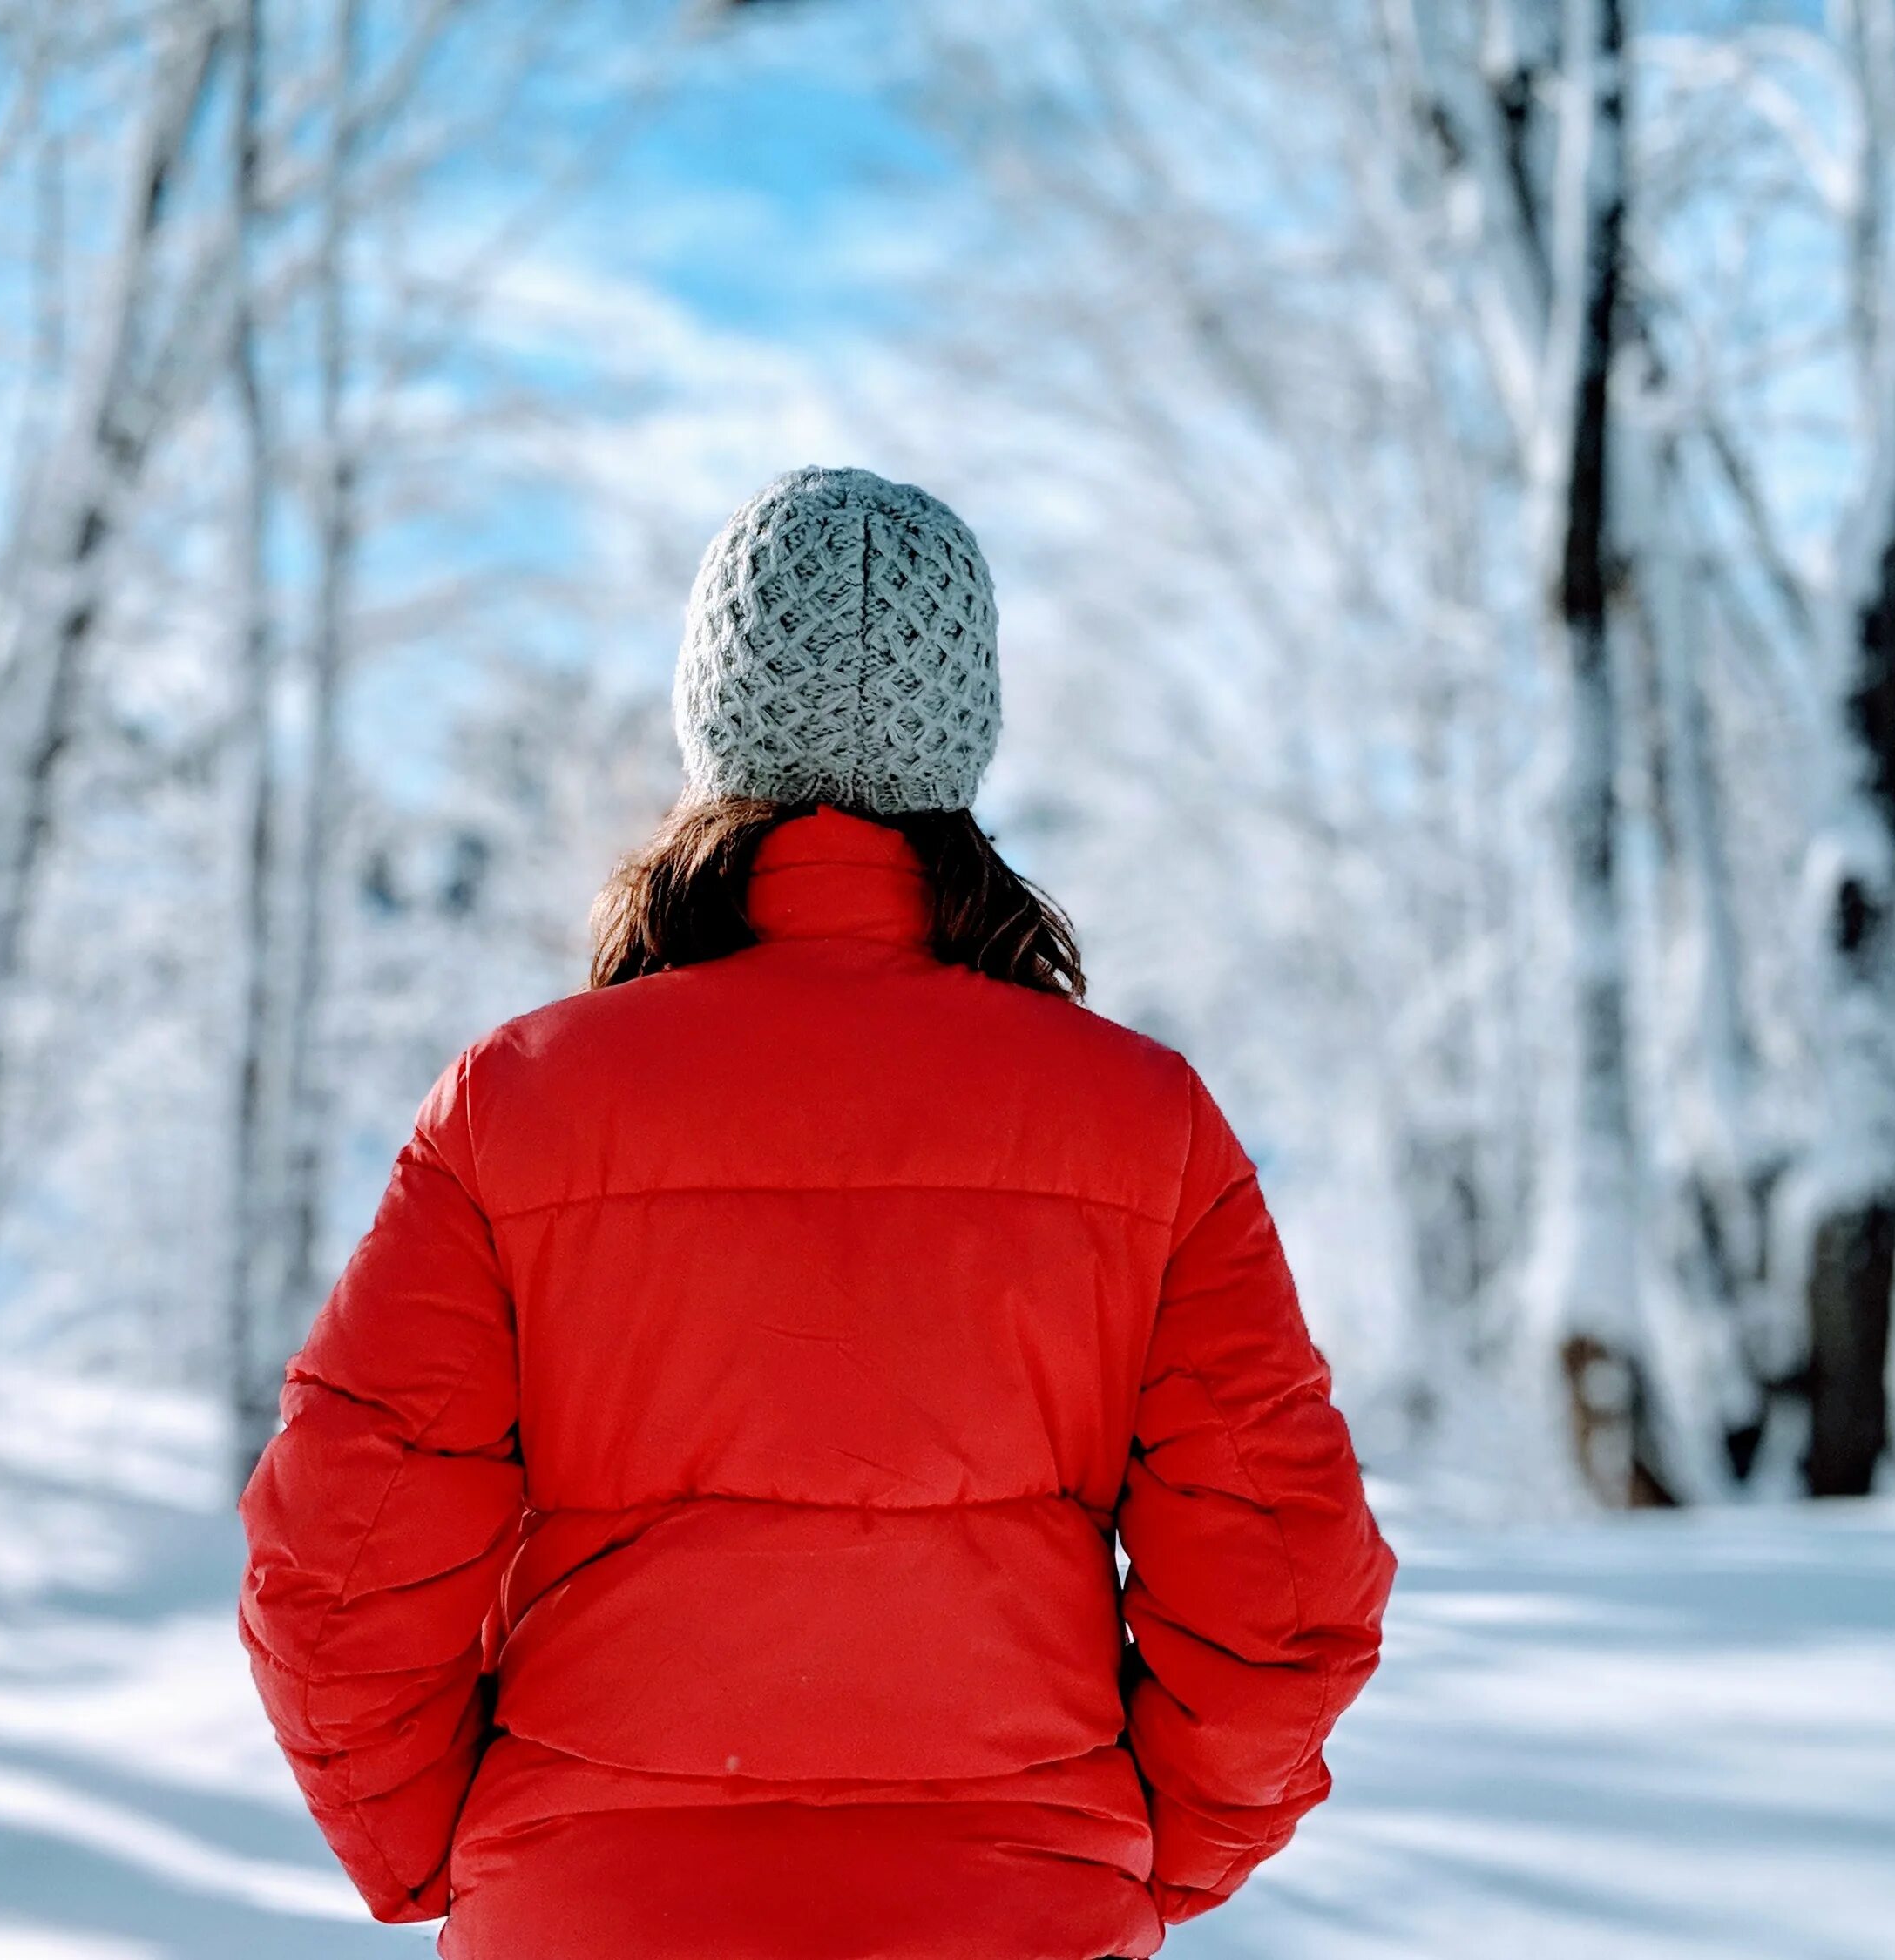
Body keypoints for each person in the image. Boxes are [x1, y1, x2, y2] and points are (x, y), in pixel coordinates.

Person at [238, 465, 1395, 1960]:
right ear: (960, 735)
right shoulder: (1144, 1124)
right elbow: (1285, 1584)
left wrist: (441, 1849)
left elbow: (337, 1558)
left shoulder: (515, 1106)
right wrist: (1133, 1856)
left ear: (713, 728)